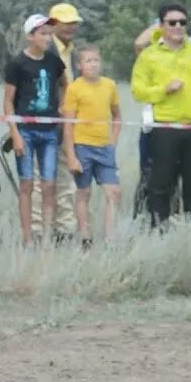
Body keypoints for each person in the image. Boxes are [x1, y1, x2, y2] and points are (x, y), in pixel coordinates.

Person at [131, 3, 191, 226]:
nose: (178, 27)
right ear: (161, 26)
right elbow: (138, 91)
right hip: (165, 127)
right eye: (172, 22)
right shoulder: (149, 55)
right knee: (161, 184)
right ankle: (157, 230)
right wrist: (163, 90)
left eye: (182, 22)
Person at [5, 15, 67, 247]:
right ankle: (27, 237)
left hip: (50, 131)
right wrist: (15, 133)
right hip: (26, 131)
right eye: (42, 33)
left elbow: (64, 83)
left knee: (49, 184)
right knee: (26, 185)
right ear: (30, 36)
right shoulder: (17, 64)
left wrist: (62, 106)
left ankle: (48, 236)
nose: (47, 38)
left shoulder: (53, 61)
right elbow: (8, 101)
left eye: (49, 34)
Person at [61, 45, 121, 247]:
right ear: (79, 65)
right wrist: (71, 155)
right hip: (82, 146)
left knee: (113, 191)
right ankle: (86, 236)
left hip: (104, 147)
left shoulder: (109, 85)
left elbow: (117, 116)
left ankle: (110, 238)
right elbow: (68, 126)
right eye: (88, 61)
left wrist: (113, 141)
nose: (93, 64)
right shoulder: (75, 88)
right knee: (84, 192)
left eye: (96, 60)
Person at [34, 2, 81, 241]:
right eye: (66, 22)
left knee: (65, 178)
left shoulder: (73, 51)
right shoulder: (46, 50)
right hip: (47, 123)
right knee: (39, 180)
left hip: (69, 123)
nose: (71, 27)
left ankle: (64, 230)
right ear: (53, 24)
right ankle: (39, 230)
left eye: (74, 22)